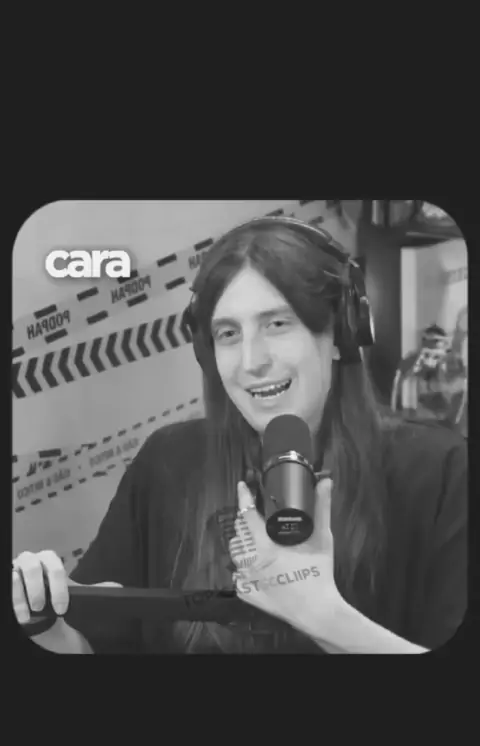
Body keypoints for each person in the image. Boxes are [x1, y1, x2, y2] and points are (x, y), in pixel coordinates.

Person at [12, 217, 468, 654]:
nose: (252, 361)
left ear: (340, 333)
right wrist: (45, 627)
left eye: (277, 324)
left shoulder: (440, 470)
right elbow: (92, 647)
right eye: (228, 333)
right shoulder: (169, 460)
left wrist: (324, 618)